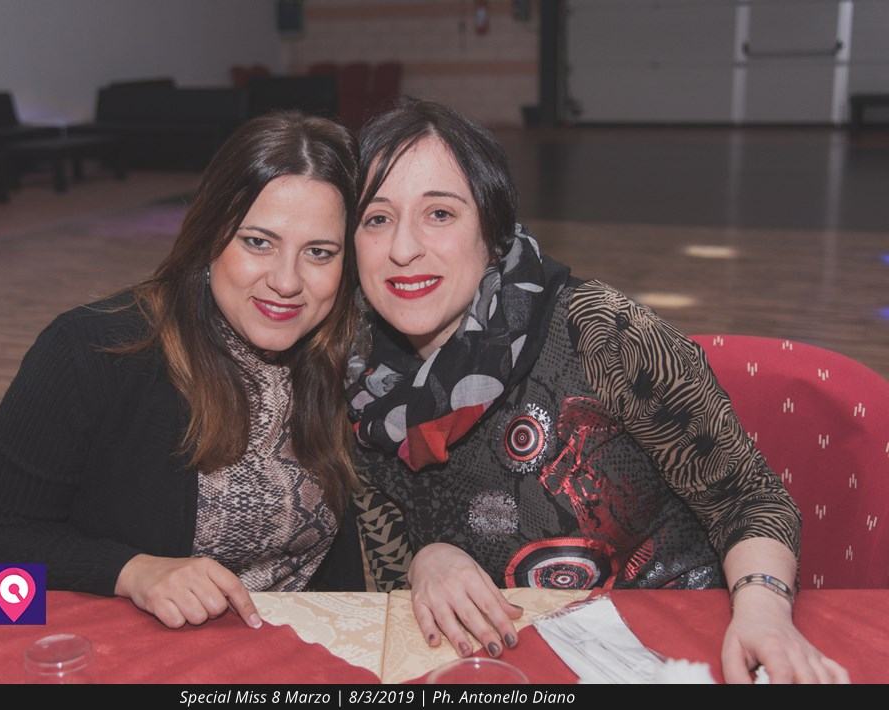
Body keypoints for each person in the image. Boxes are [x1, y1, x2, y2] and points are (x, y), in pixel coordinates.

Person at [346, 99, 849, 683]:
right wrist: (427, 561)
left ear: (492, 230)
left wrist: (763, 614)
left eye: (440, 213)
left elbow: (749, 499)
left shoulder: (600, 332)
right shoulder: (359, 385)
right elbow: (385, 575)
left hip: (679, 650)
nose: (403, 248)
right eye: (376, 218)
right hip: (502, 665)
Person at [0, 112, 360, 629]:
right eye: (258, 242)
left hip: (300, 647)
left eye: (319, 253)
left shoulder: (341, 353)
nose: (286, 281)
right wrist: (131, 571)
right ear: (210, 235)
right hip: (129, 648)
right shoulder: (93, 350)